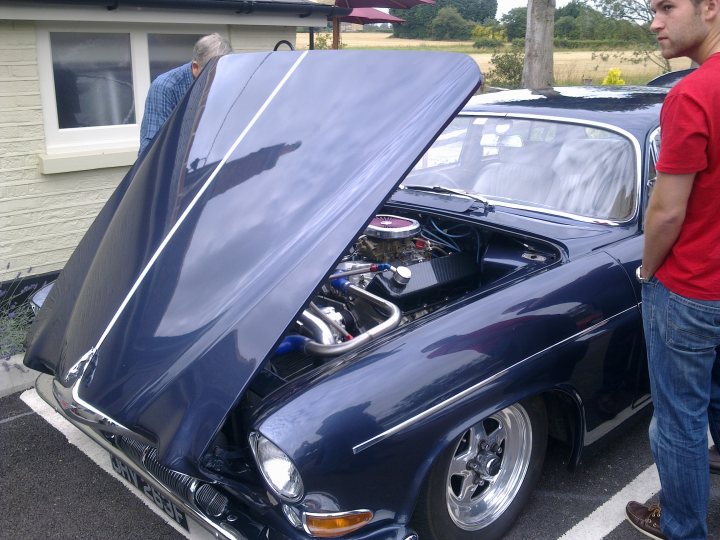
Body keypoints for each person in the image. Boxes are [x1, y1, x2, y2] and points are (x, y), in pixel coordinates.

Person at [625, 0, 720, 538]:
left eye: (666, 7)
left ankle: (683, 526)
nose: (654, 21)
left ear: (709, 9)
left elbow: (666, 210)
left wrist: (647, 271)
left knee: (679, 422)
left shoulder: (691, 93)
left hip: (690, 289)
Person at [138, 33, 231, 155]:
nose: (216, 81)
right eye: (211, 76)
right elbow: (152, 147)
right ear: (195, 66)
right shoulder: (165, 87)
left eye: (221, 75)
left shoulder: (227, 81)